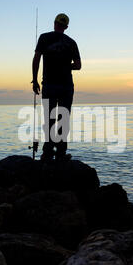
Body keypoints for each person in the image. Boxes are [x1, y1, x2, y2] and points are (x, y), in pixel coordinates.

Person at [32, 13, 81, 161]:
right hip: (66, 86)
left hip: (49, 85)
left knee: (49, 119)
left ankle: (47, 152)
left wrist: (34, 81)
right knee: (63, 119)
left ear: (54, 23)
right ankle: (60, 153)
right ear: (66, 27)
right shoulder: (71, 42)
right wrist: (66, 66)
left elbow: (36, 59)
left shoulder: (44, 38)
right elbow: (78, 66)